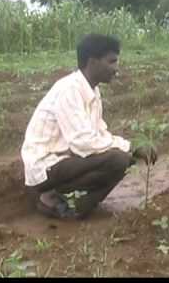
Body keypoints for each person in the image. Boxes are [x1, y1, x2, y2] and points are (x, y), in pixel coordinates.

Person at [21, 34, 157, 219]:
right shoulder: (69, 89)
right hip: (46, 165)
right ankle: (51, 198)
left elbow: (98, 132)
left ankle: (77, 206)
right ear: (92, 62)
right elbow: (83, 142)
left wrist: (129, 147)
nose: (116, 69)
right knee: (118, 160)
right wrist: (131, 147)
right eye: (112, 61)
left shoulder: (91, 90)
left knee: (125, 158)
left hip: (65, 160)